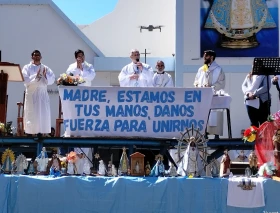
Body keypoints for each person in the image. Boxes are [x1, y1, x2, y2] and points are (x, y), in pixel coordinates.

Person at [22, 50, 55, 135]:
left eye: (38, 55)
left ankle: (42, 134)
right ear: (32, 57)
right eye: (35, 55)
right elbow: (25, 80)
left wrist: (44, 76)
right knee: (32, 115)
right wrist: (35, 77)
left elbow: (52, 79)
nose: (36, 57)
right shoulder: (27, 67)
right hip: (32, 94)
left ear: (41, 57)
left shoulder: (45, 68)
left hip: (42, 93)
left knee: (43, 114)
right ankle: (31, 134)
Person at [194, 50, 225, 139]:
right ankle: (204, 133)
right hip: (203, 95)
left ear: (211, 57)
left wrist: (211, 86)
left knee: (214, 113)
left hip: (213, 95)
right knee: (203, 114)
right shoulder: (201, 69)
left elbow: (221, 83)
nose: (204, 58)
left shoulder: (218, 69)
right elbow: (196, 80)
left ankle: (216, 134)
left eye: (206, 56)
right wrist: (198, 85)